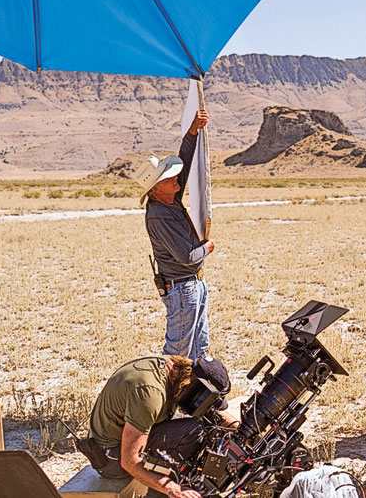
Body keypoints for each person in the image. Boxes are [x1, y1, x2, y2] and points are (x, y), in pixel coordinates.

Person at [87, 355, 234, 498]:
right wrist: (172, 488)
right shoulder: (150, 395)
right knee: (193, 431)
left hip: (117, 439)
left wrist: (242, 430)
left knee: (199, 427)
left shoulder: (176, 370)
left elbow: (214, 413)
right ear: (196, 387)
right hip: (112, 458)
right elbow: (129, 461)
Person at [134, 110, 214, 360]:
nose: (176, 178)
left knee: (199, 349)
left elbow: (185, 164)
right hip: (182, 289)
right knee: (176, 355)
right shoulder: (159, 214)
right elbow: (187, 255)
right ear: (156, 189)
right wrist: (208, 247)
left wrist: (192, 131)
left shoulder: (170, 198)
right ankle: (165, 397)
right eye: (169, 178)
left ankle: (193, 396)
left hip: (193, 284)